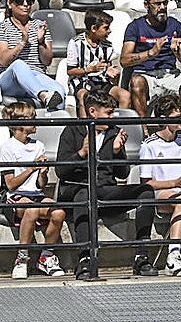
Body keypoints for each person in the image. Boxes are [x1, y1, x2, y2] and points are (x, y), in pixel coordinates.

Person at [56, 89, 160, 279]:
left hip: (106, 190)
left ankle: (142, 255)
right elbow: (61, 171)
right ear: (93, 112)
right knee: (83, 195)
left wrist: (117, 152)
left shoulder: (114, 132)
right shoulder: (73, 130)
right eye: (109, 113)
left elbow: (123, 173)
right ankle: (85, 260)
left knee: (146, 191)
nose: (113, 117)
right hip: (80, 188)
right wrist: (82, 153)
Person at [0, 101, 66, 278]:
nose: (36, 121)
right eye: (32, 118)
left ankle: (47, 256)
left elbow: (40, 185)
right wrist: (31, 168)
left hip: (36, 194)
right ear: (19, 123)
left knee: (58, 212)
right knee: (32, 209)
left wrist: (43, 173)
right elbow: (11, 184)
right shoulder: (7, 147)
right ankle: (22, 258)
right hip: (16, 196)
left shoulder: (38, 145)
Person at [121, 0, 181, 116]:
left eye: (165, 3)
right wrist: (151, 53)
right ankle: (142, 130)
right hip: (145, 75)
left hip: (170, 75)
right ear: (146, 5)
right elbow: (124, 60)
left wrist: (176, 52)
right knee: (136, 82)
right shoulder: (135, 26)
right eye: (157, 4)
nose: (162, 7)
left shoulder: (174, 25)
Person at [137, 94, 181, 276]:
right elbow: (147, 184)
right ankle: (173, 256)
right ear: (163, 119)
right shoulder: (149, 145)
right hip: (161, 194)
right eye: (176, 117)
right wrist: (174, 183)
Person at [0, 0, 65, 111]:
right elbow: (3, 60)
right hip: (10, 79)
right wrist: (22, 42)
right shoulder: (1, 27)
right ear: (10, 4)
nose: (25, 4)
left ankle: (53, 128)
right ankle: (43, 95)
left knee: (59, 91)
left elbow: (47, 61)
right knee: (19, 65)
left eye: (29, 0)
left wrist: (41, 41)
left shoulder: (39, 25)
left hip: (35, 74)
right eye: (20, 1)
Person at [67, 8, 129, 116]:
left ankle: (119, 128)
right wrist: (89, 70)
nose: (109, 31)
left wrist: (109, 71)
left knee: (125, 95)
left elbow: (108, 67)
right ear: (94, 28)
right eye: (106, 28)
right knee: (83, 96)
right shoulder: (76, 43)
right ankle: (85, 129)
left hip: (102, 82)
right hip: (82, 82)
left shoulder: (107, 46)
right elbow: (70, 71)